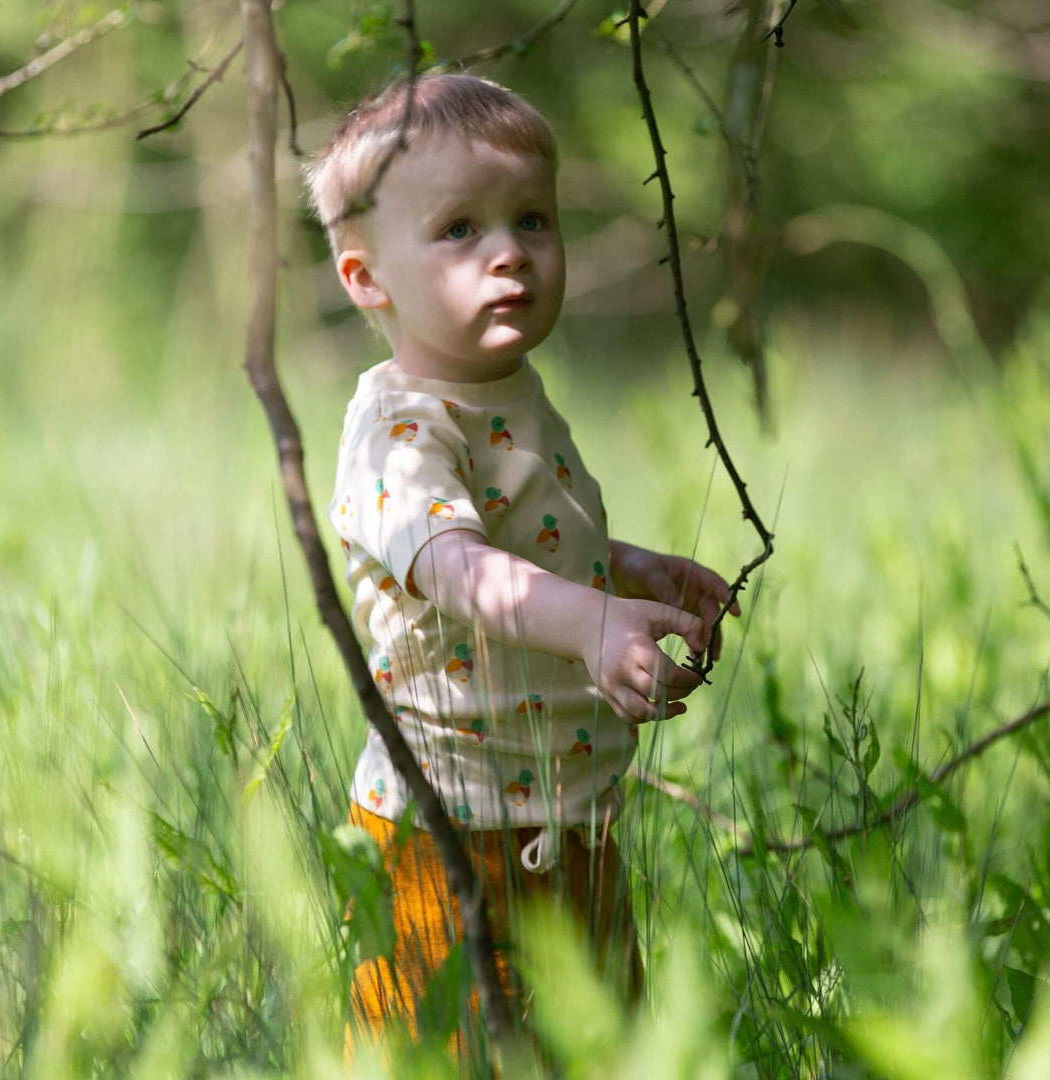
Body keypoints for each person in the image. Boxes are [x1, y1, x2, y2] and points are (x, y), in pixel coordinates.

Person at [303, 72, 740, 1058]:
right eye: (460, 229)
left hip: (566, 814)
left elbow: (531, 541)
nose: (509, 253)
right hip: (448, 831)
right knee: (441, 1053)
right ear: (368, 278)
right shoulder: (399, 425)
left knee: (593, 1050)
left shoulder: (515, 394)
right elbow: (456, 567)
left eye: (532, 219)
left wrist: (625, 573)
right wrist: (589, 623)